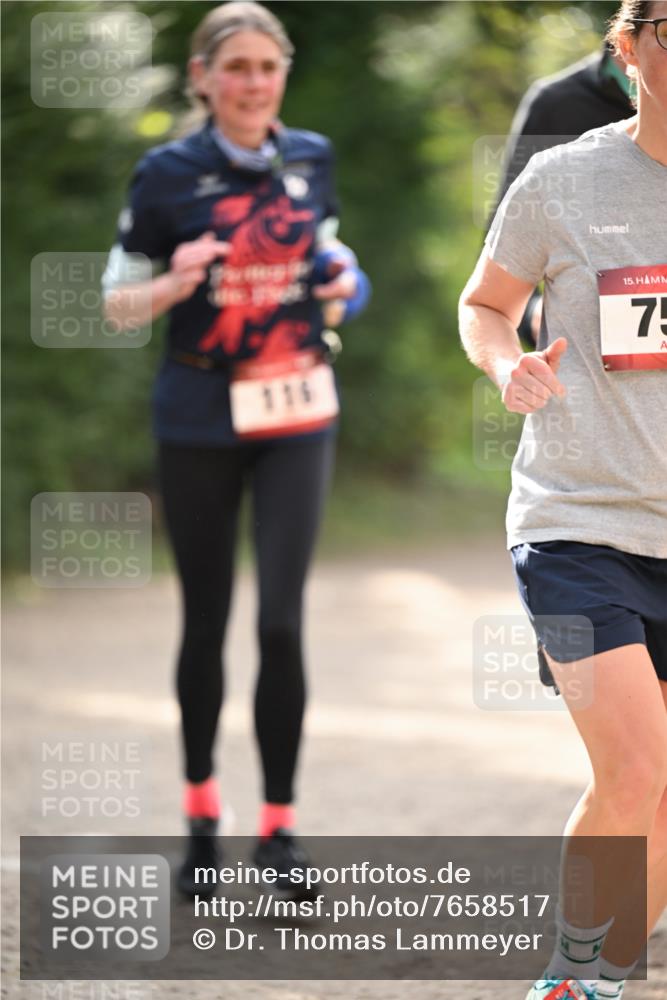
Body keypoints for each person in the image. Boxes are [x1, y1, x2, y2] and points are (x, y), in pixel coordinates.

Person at [102, 1, 370, 899]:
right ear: (204, 78)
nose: (254, 84)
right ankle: (201, 822)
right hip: (198, 415)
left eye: (268, 67)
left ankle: (279, 832)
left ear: (282, 73)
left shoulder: (312, 157)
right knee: (206, 620)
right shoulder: (165, 173)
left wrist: (346, 280)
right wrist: (171, 283)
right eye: (238, 68)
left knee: (281, 622)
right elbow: (115, 300)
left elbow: (332, 261)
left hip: (296, 409)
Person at [459, 2, 666, 998]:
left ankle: (598, 980)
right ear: (626, 47)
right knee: (634, 771)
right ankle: (571, 980)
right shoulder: (563, 178)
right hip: (577, 524)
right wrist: (507, 366)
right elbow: (484, 304)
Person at [491, 42, 634, 345]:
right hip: (592, 356)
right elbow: (503, 254)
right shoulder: (556, 105)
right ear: (626, 37)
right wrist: (536, 315)